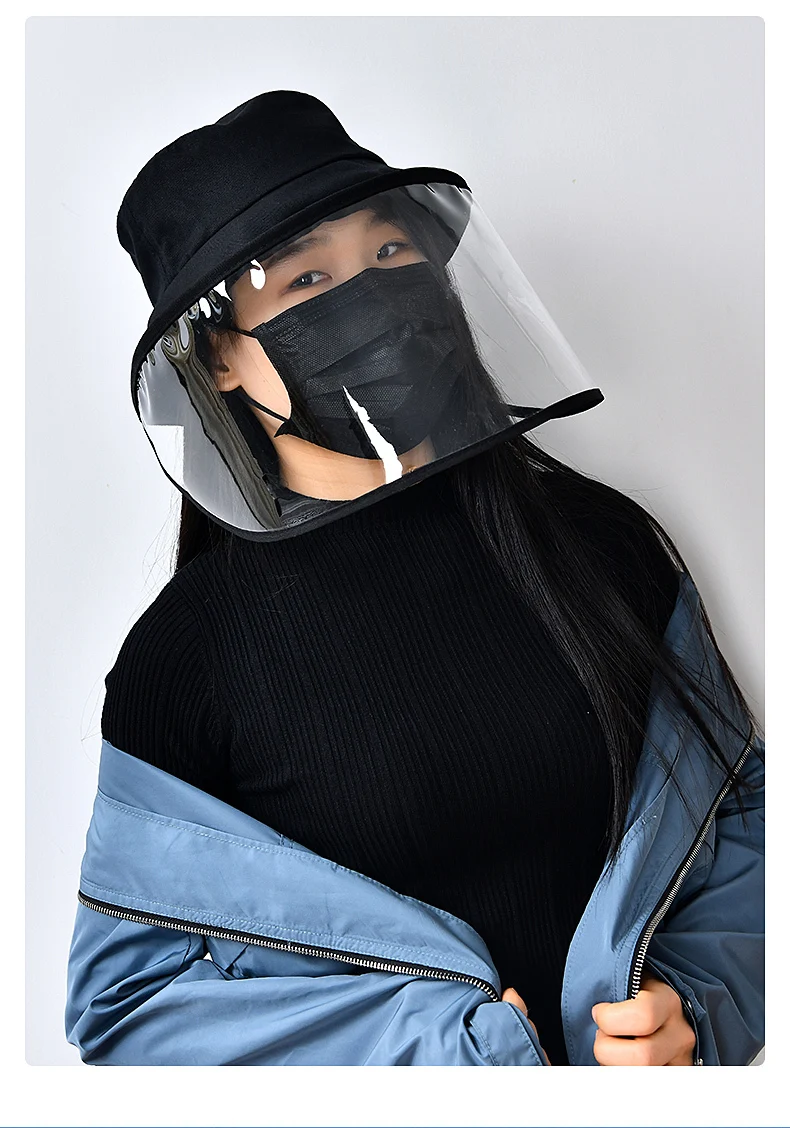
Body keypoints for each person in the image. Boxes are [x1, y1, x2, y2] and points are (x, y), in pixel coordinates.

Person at [65, 89, 764, 1067]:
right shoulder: (188, 657)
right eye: (308, 277)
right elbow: (129, 1001)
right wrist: (436, 1060)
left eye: (391, 250)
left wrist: (694, 1012)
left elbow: (739, 819)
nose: (374, 296)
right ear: (217, 358)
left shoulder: (603, 546)